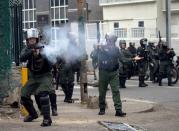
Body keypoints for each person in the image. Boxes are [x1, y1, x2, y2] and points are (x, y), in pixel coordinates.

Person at [20, 28, 52, 126]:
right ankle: (33, 114)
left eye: (34, 39)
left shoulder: (44, 48)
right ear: (28, 40)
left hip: (44, 76)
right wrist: (32, 52)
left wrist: (41, 54)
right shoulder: (27, 49)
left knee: (43, 96)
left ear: (37, 39)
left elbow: (51, 63)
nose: (32, 41)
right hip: (33, 77)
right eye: (30, 39)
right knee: (24, 96)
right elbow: (22, 58)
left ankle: (47, 119)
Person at [93, 34, 126, 117]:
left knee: (116, 91)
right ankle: (102, 109)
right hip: (103, 72)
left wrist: (132, 59)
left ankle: (118, 110)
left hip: (114, 72)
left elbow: (122, 59)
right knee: (102, 91)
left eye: (113, 40)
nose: (112, 42)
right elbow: (93, 56)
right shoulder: (102, 47)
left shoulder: (116, 49)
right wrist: (97, 49)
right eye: (111, 40)